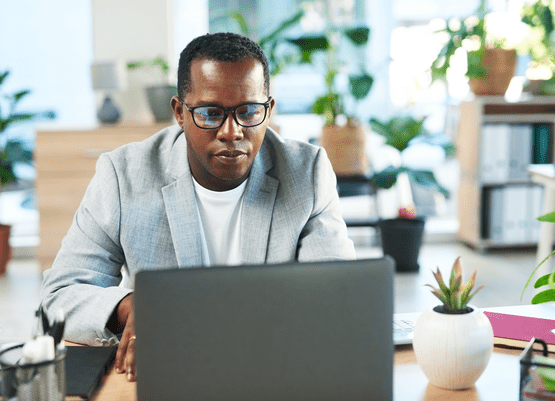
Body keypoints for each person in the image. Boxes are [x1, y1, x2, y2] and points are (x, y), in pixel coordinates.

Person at [40, 32, 356, 382]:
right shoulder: (124, 175)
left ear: (268, 110)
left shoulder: (306, 172)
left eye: (249, 111)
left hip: (273, 373)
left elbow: (337, 297)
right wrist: (132, 306)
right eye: (210, 113)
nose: (231, 131)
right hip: (173, 375)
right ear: (179, 112)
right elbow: (59, 296)